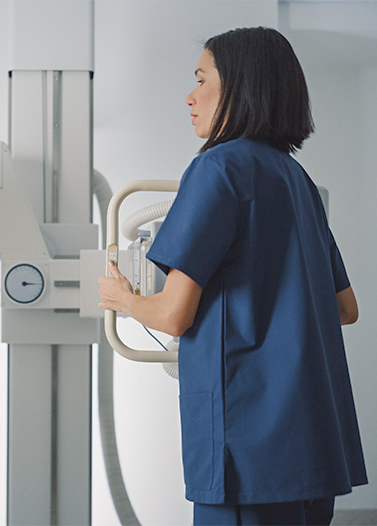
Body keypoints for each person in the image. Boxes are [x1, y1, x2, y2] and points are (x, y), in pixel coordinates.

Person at [99, 27, 367, 525]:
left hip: (248, 450)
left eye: (202, 79)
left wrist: (122, 298)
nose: (190, 96)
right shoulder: (298, 180)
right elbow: (345, 308)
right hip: (313, 444)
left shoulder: (217, 169)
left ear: (241, 87)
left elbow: (174, 316)